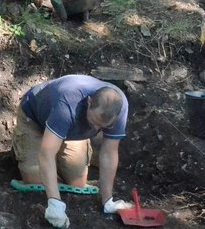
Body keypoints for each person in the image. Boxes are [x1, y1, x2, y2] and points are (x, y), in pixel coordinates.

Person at [13, 75, 134, 228]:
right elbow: (46, 154)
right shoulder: (68, 102)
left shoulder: (119, 107)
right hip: (35, 119)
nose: (96, 129)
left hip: (71, 131)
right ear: (89, 103)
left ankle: (56, 142)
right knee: (35, 179)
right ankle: (24, 145)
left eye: (103, 127)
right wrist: (55, 203)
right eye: (94, 122)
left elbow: (109, 153)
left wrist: (108, 200)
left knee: (77, 182)